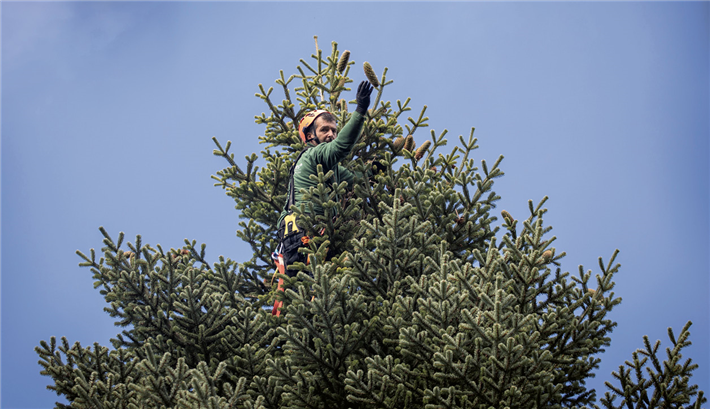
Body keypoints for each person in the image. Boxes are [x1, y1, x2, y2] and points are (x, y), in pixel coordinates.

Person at [276, 80, 373, 278]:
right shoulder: (313, 154)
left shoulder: (329, 168)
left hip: (302, 237)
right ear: (310, 135)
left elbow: (353, 179)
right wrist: (360, 111)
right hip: (304, 235)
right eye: (325, 130)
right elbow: (341, 147)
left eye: (334, 130)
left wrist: (375, 171)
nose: (331, 134)